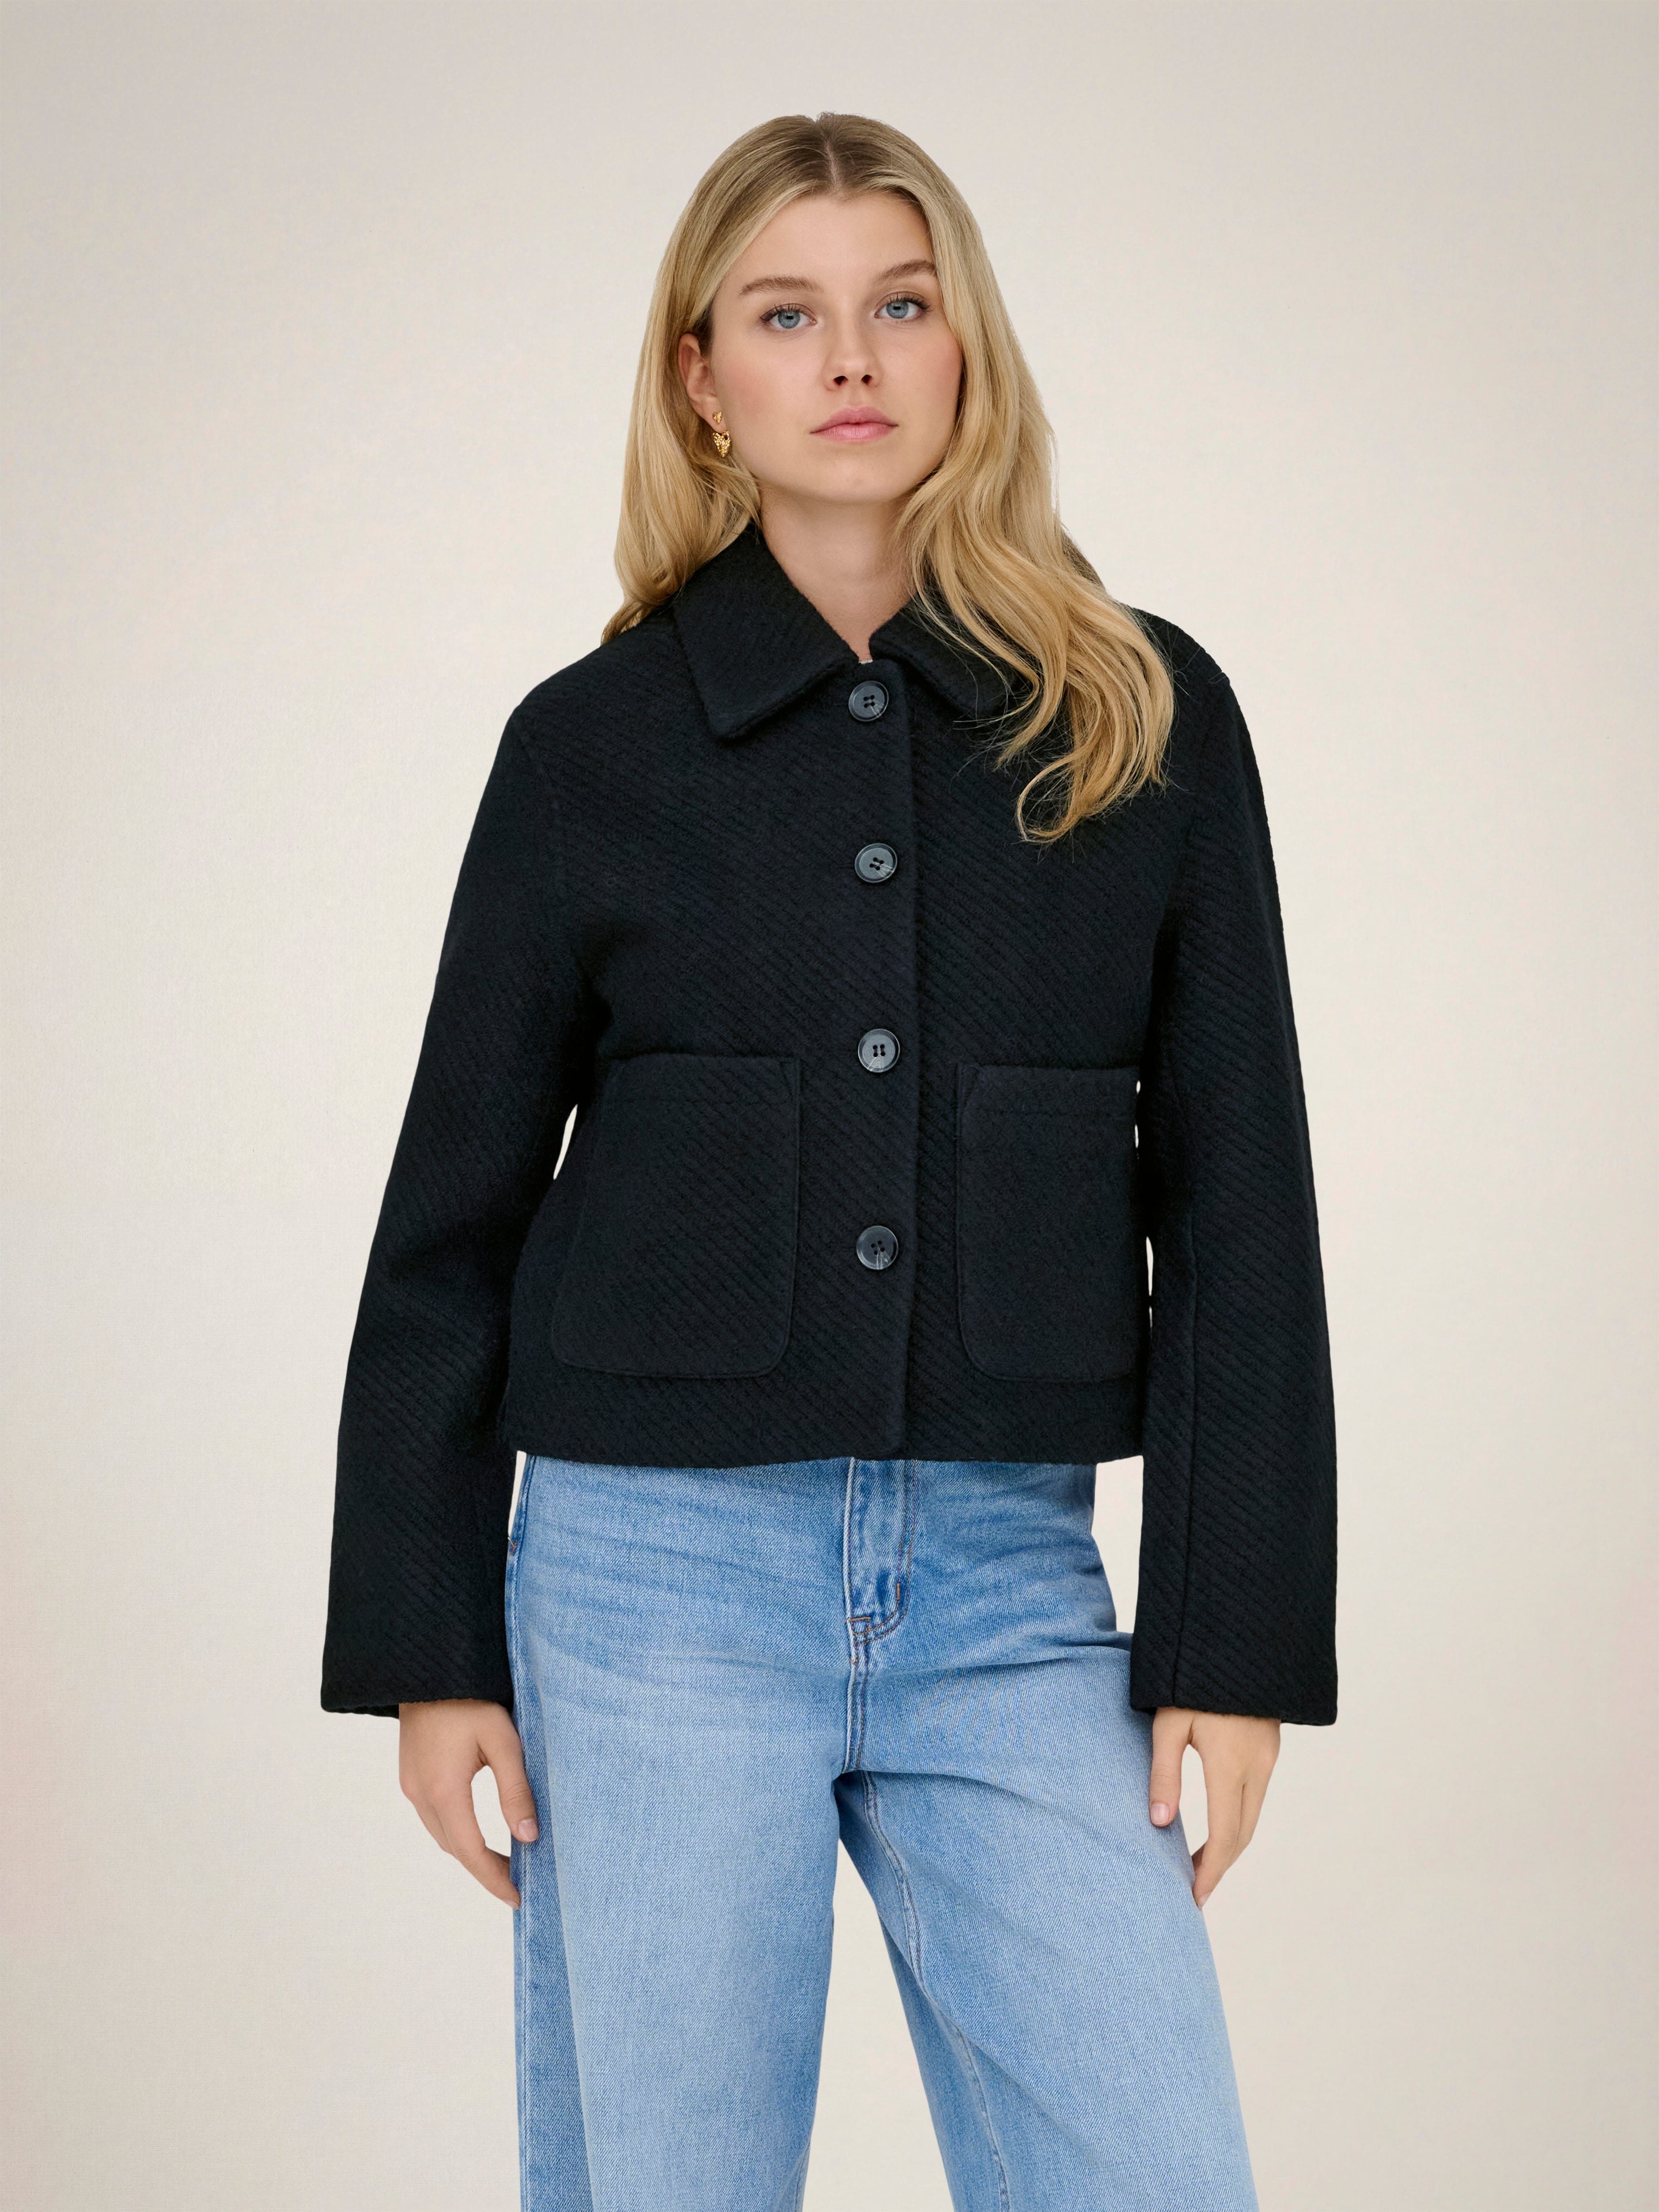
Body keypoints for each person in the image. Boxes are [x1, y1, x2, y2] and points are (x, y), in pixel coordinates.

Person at [321, 109, 1338, 2212]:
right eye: (787, 314)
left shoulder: (1145, 722)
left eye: (901, 302)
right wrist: (432, 1644)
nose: (852, 356)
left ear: (970, 349)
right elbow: (451, 1217)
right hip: (648, 1595)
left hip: (1012, 1592)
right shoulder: (588, 748)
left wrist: (1228, 1644)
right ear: (704, 377)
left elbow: (1242, 1209)